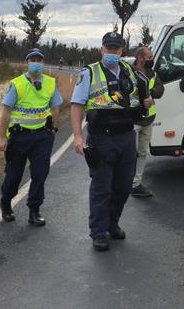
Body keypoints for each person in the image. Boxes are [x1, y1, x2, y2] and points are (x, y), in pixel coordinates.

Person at [70, 32, 152, 251]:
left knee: (124, 186)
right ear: (101, 50)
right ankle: (98, 232)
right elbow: (77, 105)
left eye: (116, 49)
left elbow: (137, 100)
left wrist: (147, 101)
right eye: (109, 48)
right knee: (101, 188)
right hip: (101, 138)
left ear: (122, 51)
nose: (112, 52)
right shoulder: (89, 73)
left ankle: (112, 223)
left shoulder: (129, 72)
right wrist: (78, 136)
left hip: (126, 136)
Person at [0, 48, 63, 226]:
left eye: (39, 60)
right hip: (19, 137)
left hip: (42, 137)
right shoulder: (17, 84)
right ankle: (6, 202)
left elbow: (56, 106)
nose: (36, 63)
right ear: (27, 62)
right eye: (33, 59)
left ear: (43, 63)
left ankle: (34, 211)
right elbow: (6, 112)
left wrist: (54, 129)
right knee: (14, 176)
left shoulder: (50, 82)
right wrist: (2, 137)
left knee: (40, 175)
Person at [130, 46, 164, 197]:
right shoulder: (129, 74)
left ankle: (136, 184)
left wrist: (151, 94)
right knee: (129, 153)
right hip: (133, 120)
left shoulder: (153, 74)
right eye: (149, 58)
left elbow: (160, 89)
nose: (152, 60)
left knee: (143, 152)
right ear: (139, 59)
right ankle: (124, 181)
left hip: (148, 119)